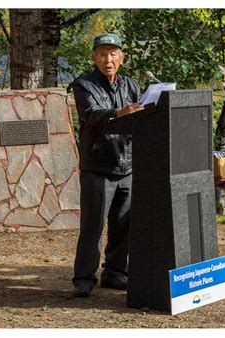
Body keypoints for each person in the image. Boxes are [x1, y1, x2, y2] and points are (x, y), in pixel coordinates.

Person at [71, 33, 144, 298]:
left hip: (128, 166)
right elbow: (90, 115)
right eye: (102, 53)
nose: (108, 59)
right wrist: (118, 113)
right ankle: (83, 278)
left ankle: (115, 273)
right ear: (94, 57)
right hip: (99, 166)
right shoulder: (83, 85)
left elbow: (144, 113)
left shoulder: (131, 85)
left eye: (113, 53)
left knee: (123, 225)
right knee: (92, 227)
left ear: (122, 58)